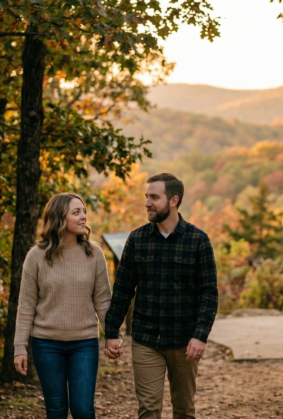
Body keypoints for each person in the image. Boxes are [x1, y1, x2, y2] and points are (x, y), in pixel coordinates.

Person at [104, 173, 218, 419]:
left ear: (173, 201)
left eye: (154, 197)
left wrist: (200, 336)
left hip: (184, 342)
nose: (147, 203)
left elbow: (208, 294)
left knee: (184, 410)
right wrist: (112, 332)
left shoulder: (198, 240)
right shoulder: (137, 240)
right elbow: (123, 289)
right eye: (146, 197)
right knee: (148, 410)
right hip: (146, 340)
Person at [13, 193, 112, 419]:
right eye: (76, 212)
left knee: (83, 410)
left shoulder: (94, 254)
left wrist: (112, 335)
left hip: (84, 343)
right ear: (59, 218)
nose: (83, 216)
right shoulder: (36, 257)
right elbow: (26, 306)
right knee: (56, 410)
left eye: (84, 211)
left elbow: (103, 300)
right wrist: (20, 347)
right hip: (46, 344)